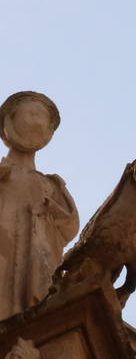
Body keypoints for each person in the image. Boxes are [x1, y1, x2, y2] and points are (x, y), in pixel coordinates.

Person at [0, 91, 77, 319]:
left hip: (37, 263)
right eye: (29, 113)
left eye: (41, 116)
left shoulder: (52, 184)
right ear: (8, 122)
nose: (35, 120)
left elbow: (70, 227)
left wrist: (51, 208)